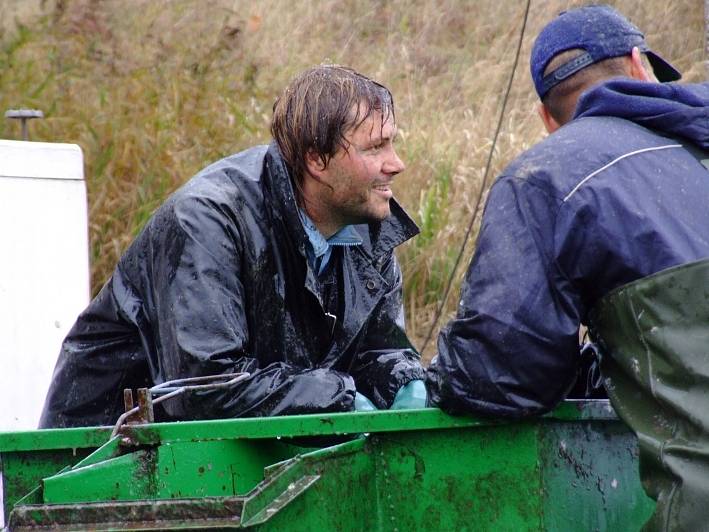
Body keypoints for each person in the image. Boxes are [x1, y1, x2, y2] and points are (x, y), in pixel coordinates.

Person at [426, 5, 709, 530]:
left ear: (547, 120)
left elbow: (500, 375)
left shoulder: (546, 175)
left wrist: (431, 378)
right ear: (639, 63)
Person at [40, 65, 428, 429]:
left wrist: (403, 381)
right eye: (375, 148)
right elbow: (205, 387)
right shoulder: (208, 219)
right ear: (316, 160)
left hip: (224, 458)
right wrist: (341, 400)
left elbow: (377, 352)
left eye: (392, 143)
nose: (397, 164)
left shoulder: (364, 224)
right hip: (98, 459)